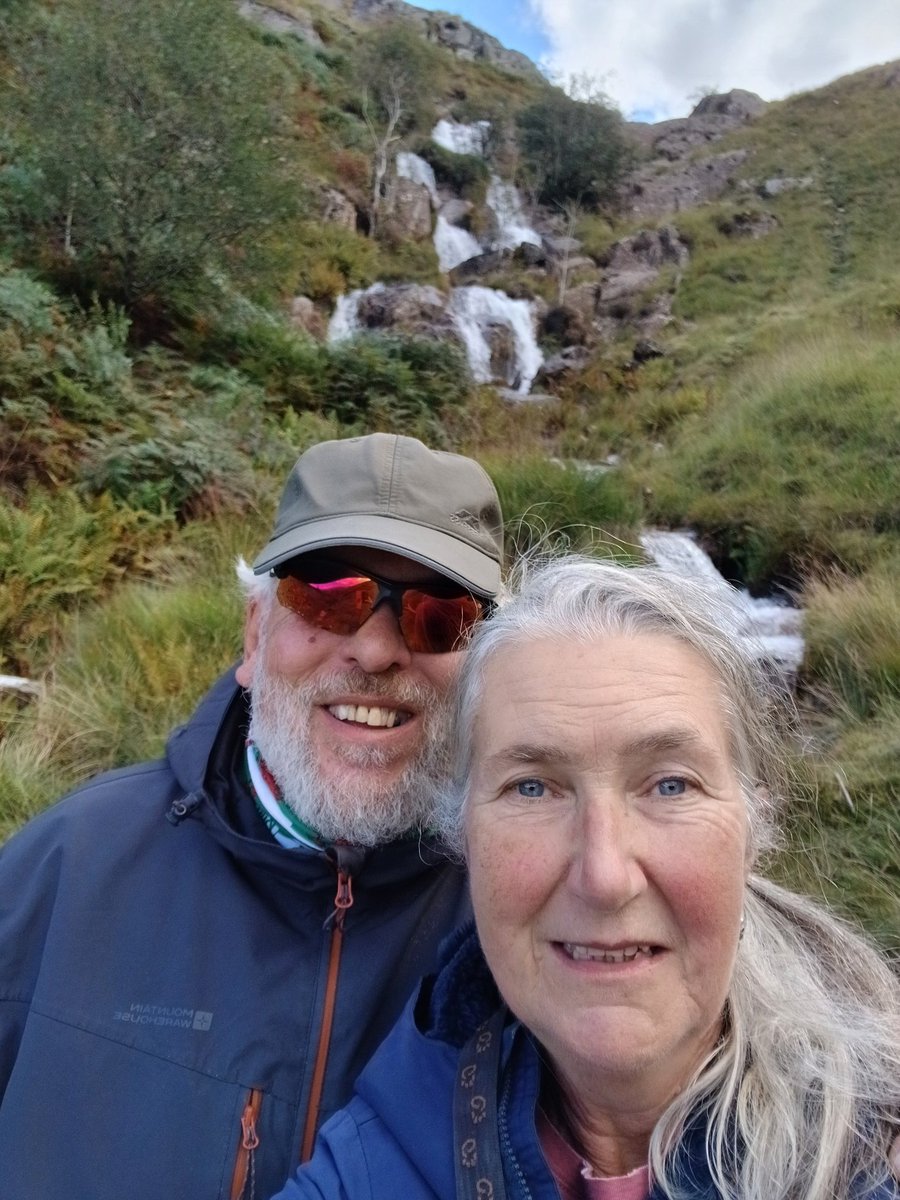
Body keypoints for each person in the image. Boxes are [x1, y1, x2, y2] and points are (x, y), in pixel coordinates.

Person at [274, 556, 900, 1200]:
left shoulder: (879, 1139)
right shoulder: (369, 1170)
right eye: (533, 788)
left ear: (753, 827)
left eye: (670, 785)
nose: (604, 877)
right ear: (461, 834)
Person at [0, 433, 504, 1200]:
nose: (373, 650)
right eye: (327, 596)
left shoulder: (536, 917)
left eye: (439, 617)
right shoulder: (64, 868)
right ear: (252, 633)